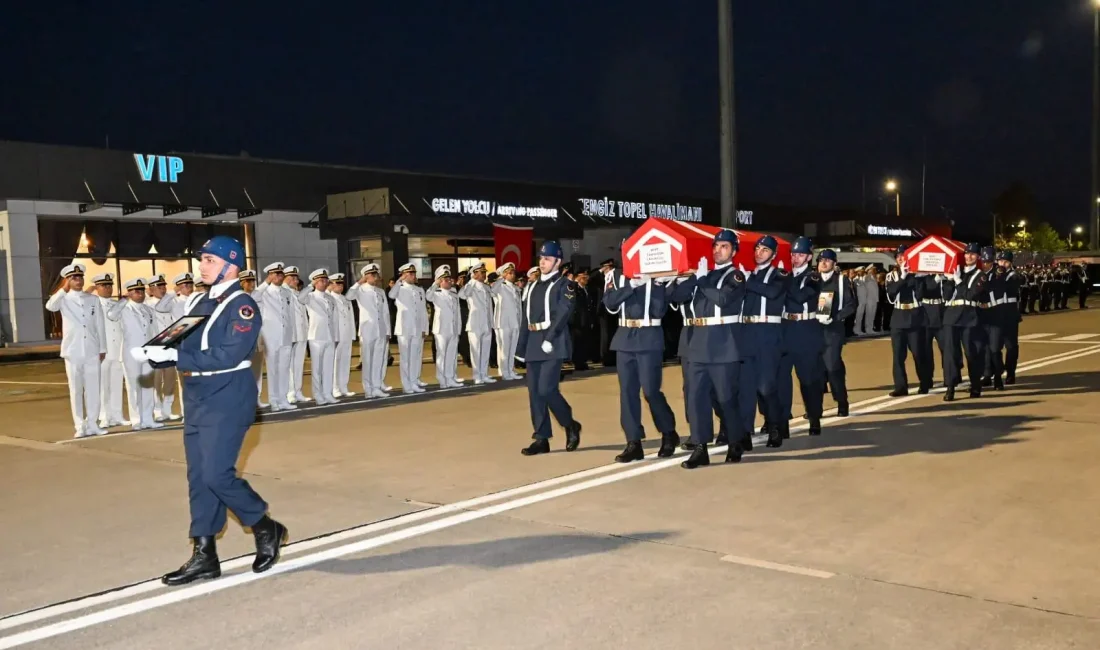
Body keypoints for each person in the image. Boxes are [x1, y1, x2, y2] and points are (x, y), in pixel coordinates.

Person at [134, 235, 287, 586]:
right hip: (198, 394)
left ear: (231, 266)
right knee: (199, 476)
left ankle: (266, 527)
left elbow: (230, 353)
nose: (201, 266)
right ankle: (205, 555)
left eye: (210, 261)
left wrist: (177, 356)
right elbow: (181, 338)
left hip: (228, 393)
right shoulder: (202, 300)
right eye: (202, 259)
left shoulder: (243, 304)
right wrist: (157, 352)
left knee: (218, 474)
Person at [671, 230, 746, 467]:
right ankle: (701, 447)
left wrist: (702, 280)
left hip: (723, 343)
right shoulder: (703, 275)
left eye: (724, 246)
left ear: (733, 251)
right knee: (696, 398)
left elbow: (723, 300)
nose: (718, 250)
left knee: (725, 398)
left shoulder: (737, 276)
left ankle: (735, 440)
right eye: (715, 246)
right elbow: (674, 297)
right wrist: (686, 278)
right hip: (697, 343)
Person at [602, 266, 679, 463]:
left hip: (649, 336)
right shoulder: (615, 275)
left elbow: (660, 309)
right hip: (625, 336)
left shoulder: (658, 274)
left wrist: (660, 283)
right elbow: (610, 304)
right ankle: (633, 442)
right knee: (627, 392)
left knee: (651, 391)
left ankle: (668, 431)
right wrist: (630, 286)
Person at [516, 241, 583, 456]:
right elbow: (525, 318)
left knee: (547, 389)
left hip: (552, 343)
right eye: (541, 258)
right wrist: (521, 347)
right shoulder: (532, 286)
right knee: (535, 393)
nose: (542, 262)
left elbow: (563, 313)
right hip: (534, 342)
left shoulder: (565, 285)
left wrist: (550, 337)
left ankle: (570, 423)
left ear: (558, 262)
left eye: (547, 259)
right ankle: (541, 437)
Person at [46, 264, 108, 438]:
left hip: (92, 349)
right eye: (74, 278)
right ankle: (80, 425)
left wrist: (102, 348)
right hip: (72, 350)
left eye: (80, 277)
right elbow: (51, 306)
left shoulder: (92, 300)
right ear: (68, 280)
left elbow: (99, 325)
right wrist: (63, 289)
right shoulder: (63, 298)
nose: (78, 280)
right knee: (76, 389)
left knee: (93, 389)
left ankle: (93, 424)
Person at [738, 235, 789, 448]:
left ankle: (776, 426)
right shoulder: (747, 276)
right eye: (758, 249)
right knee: (746, 388)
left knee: (766, 386)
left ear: (774, 254)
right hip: (748, 332)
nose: (760, 253)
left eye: (765, 250)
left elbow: (773, 292)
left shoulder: (780, 274)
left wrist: (747, 281)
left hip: (769, 333)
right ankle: (744, 432)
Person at [777, 237, 824, 437]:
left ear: (809, 257)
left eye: (800, 255)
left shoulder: (813, 277)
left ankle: (814, 417)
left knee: (808, 380)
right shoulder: (785, 276)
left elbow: (800, 296)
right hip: (786, 329)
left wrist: (784, 279)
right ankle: (783, 422)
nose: (796, 258)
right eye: (794, 254)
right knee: (782, 380)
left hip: (806, 330)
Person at [107, 278, 160, 430]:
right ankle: (137, 419)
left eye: (142, 290)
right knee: (134, 387)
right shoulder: (124, 309)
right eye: (136, 291)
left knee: (148, 386)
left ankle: (148, 418)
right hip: (131, 353)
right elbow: (111, 315)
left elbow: (155, 331)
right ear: (129, 292)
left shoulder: (149, 310)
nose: (140, 293)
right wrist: (123, 299)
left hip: (147, 352)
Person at [941, 243, 986, 401]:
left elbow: (971, 295)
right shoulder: (956, 270)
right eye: (967, 254)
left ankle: (975, 385)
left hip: (968, 318)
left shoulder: (981, 275)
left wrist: (958, 281)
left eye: (973, 254)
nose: (969, 257)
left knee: (971, 354)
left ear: (978, 257)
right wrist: (948, 280)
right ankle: (950, 388)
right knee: (950, 355)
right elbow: (946, 297)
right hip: (951, 317)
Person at [816, 250, 856, 416]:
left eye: (827, 260)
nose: (823, 263)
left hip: (833, 330)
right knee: (814, 370)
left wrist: (835, 317)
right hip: (814, 330)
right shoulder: (812, 280)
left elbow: (851, 304)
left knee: (832, 367)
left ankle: (841, 402)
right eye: (821, 260)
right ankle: (815, 408)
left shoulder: (841, 280)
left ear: (834, 263)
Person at [253, 262, 296, 410]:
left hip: (285, 335)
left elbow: (290, 315)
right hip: (271, 335)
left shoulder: (286, 292)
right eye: (275, 274)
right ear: (270, 275)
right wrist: (266, 282)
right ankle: (274, 400)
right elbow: (253, 297)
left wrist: (292, 334)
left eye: (280, 274)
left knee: (284, 368)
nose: (278, 277)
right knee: (272, 369)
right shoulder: (264, 291)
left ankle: (283, 399)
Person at [884, 245, 926, 396]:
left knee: (918, 353)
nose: (901, 258)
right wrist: (902, 277)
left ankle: (925, 382)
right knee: (898, 355)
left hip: (915, 315)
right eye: (898, 256)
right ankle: (901, 386)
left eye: (904, 255)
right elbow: (891, 295)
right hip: (898, 316)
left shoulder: (917, 275)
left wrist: (916, 277)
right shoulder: (892, 276)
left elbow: (921, 294)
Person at [346, 263, 393, 398]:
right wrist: (359, 282)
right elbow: (349, 296)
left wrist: (387, 330)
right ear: (366, 276)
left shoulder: (380, 291)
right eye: (372, 275)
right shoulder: (360, 289)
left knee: (379, 359)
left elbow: (385, 312)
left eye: (376, 274)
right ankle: (368, 389)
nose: (375, 277)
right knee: (367, 360)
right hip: (367, 329)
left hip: (381, 329)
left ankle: (377, 386)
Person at [296, 268, 339, 405]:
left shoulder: (330, 298)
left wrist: (336, 336)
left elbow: (335, 318)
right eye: (321, 280)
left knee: (328, 367)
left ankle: (328, 393)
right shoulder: (310, 296)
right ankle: (318, 394)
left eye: (326, 280)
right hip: (316, 336)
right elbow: (300, 298)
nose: (324, 282)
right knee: (317, 368)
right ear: (315, 282)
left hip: (329, 335)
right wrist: (310, 285)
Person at [92, 273, 127, 429]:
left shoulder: (116, 304)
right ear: (97, 287)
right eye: (103, 285)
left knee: (116, 385)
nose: (107, 288)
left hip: (117, 350)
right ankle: (105, 416)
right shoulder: (93, 304)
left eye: (109, 285)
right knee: (103, 386)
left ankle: (117, 415)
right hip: (102, 352)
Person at [390, 262, 429, 394]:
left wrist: (424, 328)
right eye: (410, 274)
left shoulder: (419, 290)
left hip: (417, 328)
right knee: (406, 358)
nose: (413, 276)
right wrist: (399, 280)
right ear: (404, 275)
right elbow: (391, 295)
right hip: (404, 328)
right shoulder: (399, 289)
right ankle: (406, 384)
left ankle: (414, 381)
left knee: (415, 357)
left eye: (413, 273)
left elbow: (423, 310)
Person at [146, 274, 180, 421]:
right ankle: (158, 409)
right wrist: (173, 292)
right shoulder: (149, 304)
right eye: (159, 287)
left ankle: (168, 408)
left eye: (164, 286)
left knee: (170, 378)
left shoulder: (171, 302)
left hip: (170, 345)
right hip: (156, 346)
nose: (163, 289)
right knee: (156, 380)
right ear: (151, 290)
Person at [458, 261, 496, 384]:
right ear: (474, 274)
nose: (484, 274)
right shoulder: (471, 286)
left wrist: (492, 323)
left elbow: (489, 306)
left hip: (486, 323)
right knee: (476, 351)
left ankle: (484, 374)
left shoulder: (486, 287)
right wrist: (471, 281)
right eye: (482, 272)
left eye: (485, 272)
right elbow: (462, 295)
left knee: (485, 350)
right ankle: (477, 375)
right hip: (475, 324)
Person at [989, 250, 1022, 386]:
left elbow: (1009, 288)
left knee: (1011, 346)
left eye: (1005, 262)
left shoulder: (1014, 276)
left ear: (1010, 263)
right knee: (994, 347)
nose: (1002, 264)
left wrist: (1000, 277)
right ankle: (999, 368)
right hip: (996, 315)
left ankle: (1011, 373)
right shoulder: (994, 275)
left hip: (1010, 315)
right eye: (1000, 261)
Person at [426, 265, 463, 388]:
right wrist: (435, 284)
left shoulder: (453, 292)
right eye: (445, 279)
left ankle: (451, 377)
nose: (449, 281)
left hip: (452, 328)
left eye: (449, 279)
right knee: (442, 355)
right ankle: (442, 379)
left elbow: (457, 312)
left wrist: (458, 328)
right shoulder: (436, 292)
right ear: (440, 281)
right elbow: (428, 296)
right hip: (441, 329)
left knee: (452, 355)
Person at [282, 267, 311, 403]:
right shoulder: (282, 292)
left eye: (296, 278)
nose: (295, 281)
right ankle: (290, 392)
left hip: (301, 334)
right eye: (292, 278)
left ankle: (298, 391)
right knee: (288, 366)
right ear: (285, 278)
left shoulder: (297, 293)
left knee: (299, 364)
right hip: (290, 335)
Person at [491, 262, 523, 380]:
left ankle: (510, 370)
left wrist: (519, 322)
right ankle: (504, 371)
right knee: (504, 348)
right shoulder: (499, 286)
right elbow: (492, 290)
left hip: (514, 322)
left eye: (513, 272)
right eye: (509, 273)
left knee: (512, 348)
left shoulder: (515, 288)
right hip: (503, 322)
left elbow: (518, 307)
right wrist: (501, 278)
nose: (512, 275)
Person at [328, 273, 357, 398]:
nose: (340, 286)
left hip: (346, 334)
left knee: (345, 361)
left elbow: (351, 318)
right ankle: (334, 387)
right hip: (336, 334)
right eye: (337, 284)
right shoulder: (329, 298)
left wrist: (353, 334)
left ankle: (343, 386)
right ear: (331, 284)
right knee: (335, 361)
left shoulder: (345, 299)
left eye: (341, 284)